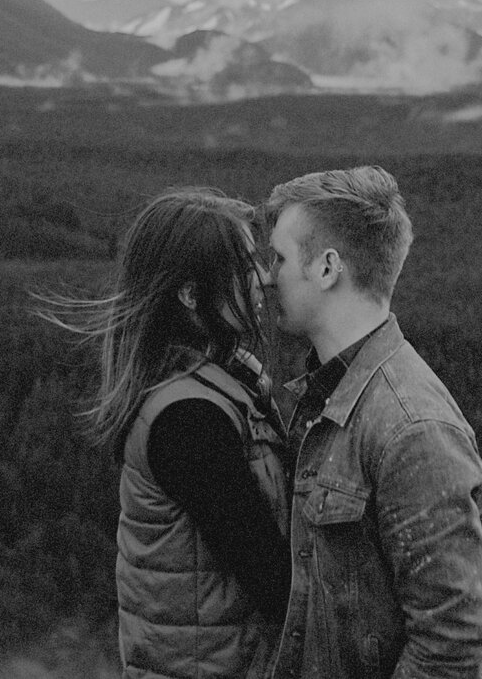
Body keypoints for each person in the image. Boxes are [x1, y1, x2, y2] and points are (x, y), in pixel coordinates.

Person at [42, 187, 294, 679]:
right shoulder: (190, 420)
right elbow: (272, 579)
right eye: (244, 268)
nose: (265, 278)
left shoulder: (204, 383)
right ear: (190, 296)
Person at [258, 167, 482, 679]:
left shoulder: (413, 430)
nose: (266, 276)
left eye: (278, 257)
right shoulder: (327, 395)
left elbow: (449, 649)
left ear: (327, 268)